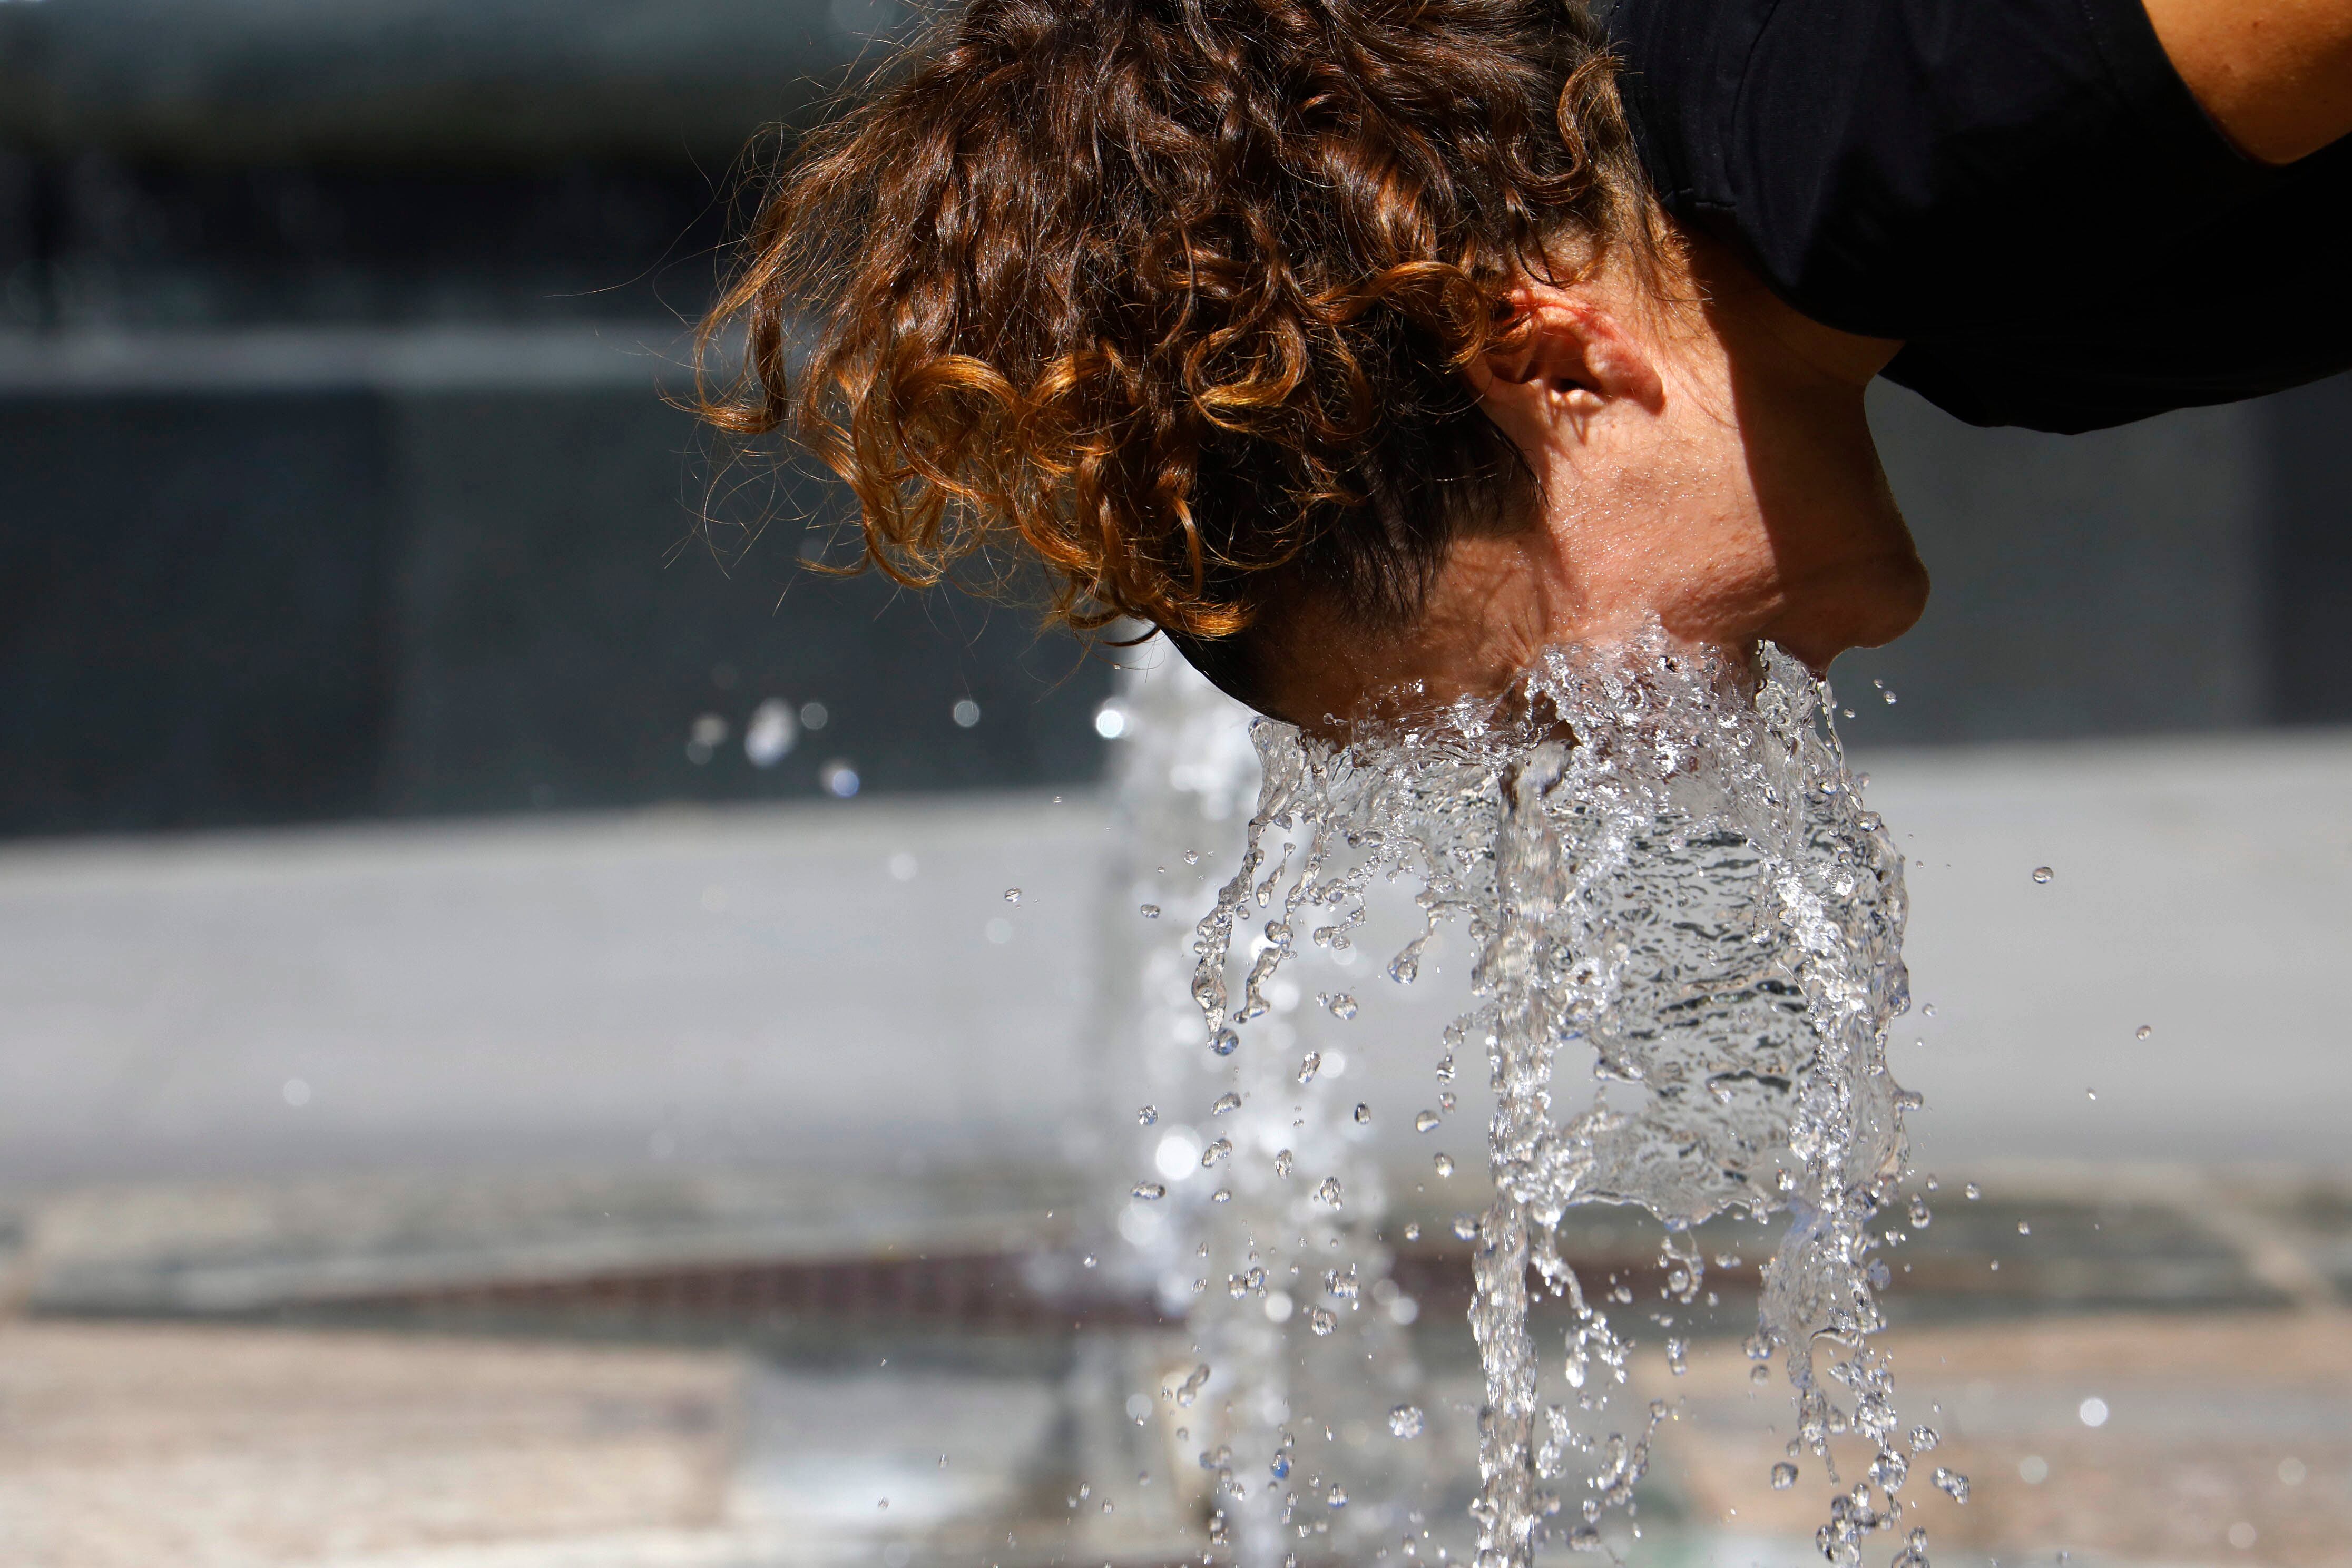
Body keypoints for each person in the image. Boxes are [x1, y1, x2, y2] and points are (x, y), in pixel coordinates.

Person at [695, 0, 2351, 729]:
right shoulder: (1981, 328)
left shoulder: (1888, 149)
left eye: (1539, 711)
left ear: (1545, 362)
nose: (1648, 766)